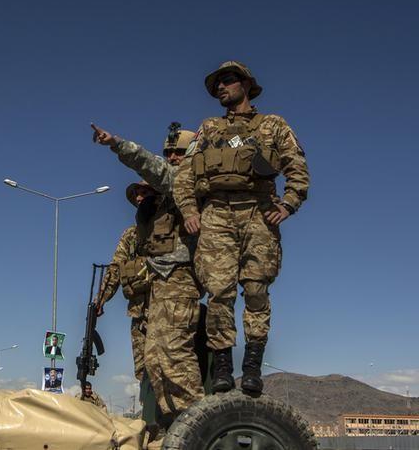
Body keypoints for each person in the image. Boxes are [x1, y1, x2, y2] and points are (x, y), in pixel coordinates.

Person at [174, 61, 310, 393]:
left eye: (228, 81)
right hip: (216, 213)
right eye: (217, 83)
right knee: (219, 293)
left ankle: (251, 367)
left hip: (259, 212)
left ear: (246, 85)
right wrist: (190, 210)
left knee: (255, 290)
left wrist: (289, 203)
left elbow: (298, 166)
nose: (221, 87)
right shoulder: (208, 128)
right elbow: (185, 176)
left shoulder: (273, 125)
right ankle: (222, 367)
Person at [92, 123, 203, 428]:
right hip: (156, 292)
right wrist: (100, 299)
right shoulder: (143, 228)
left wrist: (116, 143)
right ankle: (175, 427)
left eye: (176, 152)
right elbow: (117, 268)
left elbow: (152, 166)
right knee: (154, 362)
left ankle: (198, 427)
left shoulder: (187, 185)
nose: (170, 157)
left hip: (180, 282)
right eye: (167, 152)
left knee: (173, 357)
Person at [95, 225, 147, 382]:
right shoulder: (131, 234)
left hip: (170, 311)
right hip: (140, 314)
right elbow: (115, 269)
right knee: (143, 371)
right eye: (135, 198)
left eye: (143, 197)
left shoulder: (173, 221)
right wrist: (101, 299)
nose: (138, 198)